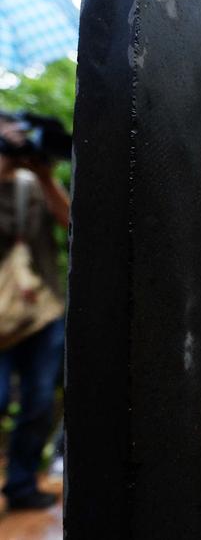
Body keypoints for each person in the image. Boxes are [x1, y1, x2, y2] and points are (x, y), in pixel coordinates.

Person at [0, 116, 69, 510]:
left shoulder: (34, 185)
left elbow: (72, 222)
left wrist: (43, 176)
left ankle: (22, 486)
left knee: (39, 401)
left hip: (41, 313)